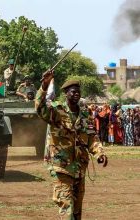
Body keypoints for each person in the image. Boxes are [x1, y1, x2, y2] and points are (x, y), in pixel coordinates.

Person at [36, 71, 108, 219]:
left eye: (78, 92)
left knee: (76, 212)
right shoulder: (56, 111)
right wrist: (44, 85)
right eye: (73, 92)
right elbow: (40, 108)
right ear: (66, 93)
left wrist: (99, 153)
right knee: (67, 208)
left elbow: (91, 137)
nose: (77, 94)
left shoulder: (85, 115)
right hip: (61, 168)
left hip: (79, 169)